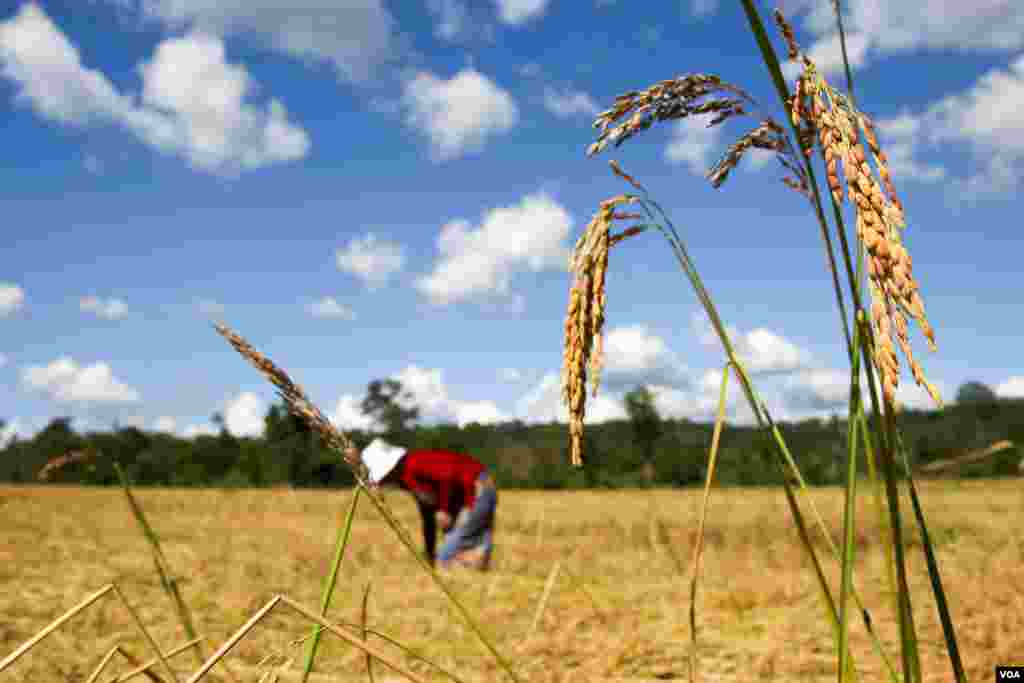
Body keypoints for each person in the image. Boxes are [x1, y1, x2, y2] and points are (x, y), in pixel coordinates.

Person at [350, 438, 497, 571]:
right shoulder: (408, 479)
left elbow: (447, 475)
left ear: (389, 470)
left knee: (445, 559)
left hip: (478, 488)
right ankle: (477, 566)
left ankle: (469, 567)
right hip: (477, 490)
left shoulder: (414, 463)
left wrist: (444, 509)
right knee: (467, 542)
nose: (383, 483)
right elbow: (428, 515)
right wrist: (429, 553)